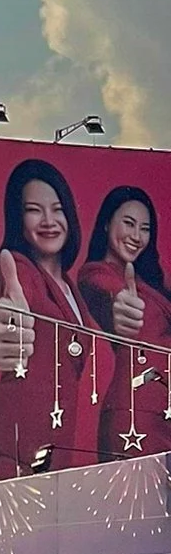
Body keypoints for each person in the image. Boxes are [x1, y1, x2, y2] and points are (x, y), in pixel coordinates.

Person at [0, 160, 94, 484]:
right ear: (18, 220)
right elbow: (10, 296)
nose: (48, 221)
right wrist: (9, 324)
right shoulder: (17, 267)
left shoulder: (71, 287)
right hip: (6, 451)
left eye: (57, 209)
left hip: (47, 454)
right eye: (34, 210)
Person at [78, 186, 171, 462]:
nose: (136, 236)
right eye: (128, 224)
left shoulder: (150, 283)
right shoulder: (97, 274)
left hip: (162, 409)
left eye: (145, 228)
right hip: (136, 413)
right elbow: (105, 291)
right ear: (107, 223)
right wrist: (120, 301)